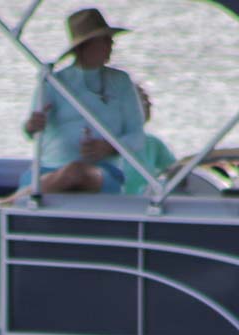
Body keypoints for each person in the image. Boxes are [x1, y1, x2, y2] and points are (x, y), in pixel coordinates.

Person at [18, 8, 152, 196]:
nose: (111, 44)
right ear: (84, 46)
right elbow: (30, 131)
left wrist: (108, 147)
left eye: (110, 38)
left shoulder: (121, 82)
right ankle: (29, 194)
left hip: (102, 173)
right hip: (49, 168)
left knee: (77, 172)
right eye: (104, 39)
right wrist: (32, 125)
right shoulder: (53, 81)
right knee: (70, 172)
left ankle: (15, 200)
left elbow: (138, 137)